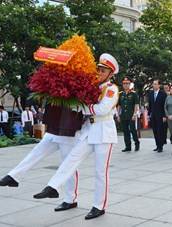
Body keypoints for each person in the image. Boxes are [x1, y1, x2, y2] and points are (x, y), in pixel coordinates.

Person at [32, 53, 120, 220]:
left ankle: (98, 206)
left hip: (104, 132)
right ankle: (53, 187)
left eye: (103, 71)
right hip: (89, 130)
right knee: (71, 159)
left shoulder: (111, 89)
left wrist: (80, 108)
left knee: (100, 172)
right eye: (99, 69)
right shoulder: (93, 87)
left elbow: (102, 110)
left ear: (111, 74)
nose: (99, 73)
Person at [117, 77, 140, 152]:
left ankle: (136, 143)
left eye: (127, 83)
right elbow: (119, 105)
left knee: (133, 130)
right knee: (125, 131)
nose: (125, 85)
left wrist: (135, 114)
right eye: (124, 84)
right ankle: (128, 146)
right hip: (123, 115)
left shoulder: (133, 94)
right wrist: (118, 115)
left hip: (131, 115)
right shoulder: (121, 94)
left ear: (129, 84)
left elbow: (136, 105)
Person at [148, 80, 167, 152]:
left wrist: (164, 116)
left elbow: (165, 105)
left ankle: (160, 146)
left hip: (160, 115)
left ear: (159, 85)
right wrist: (149, 114)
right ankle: (157, 145)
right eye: (153, 84)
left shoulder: (162, 94)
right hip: (153, 115)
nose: (154, 85)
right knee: (155, 130)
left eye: (155, 84)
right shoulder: (151, 93)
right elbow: (150, 105)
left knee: (160, 131)